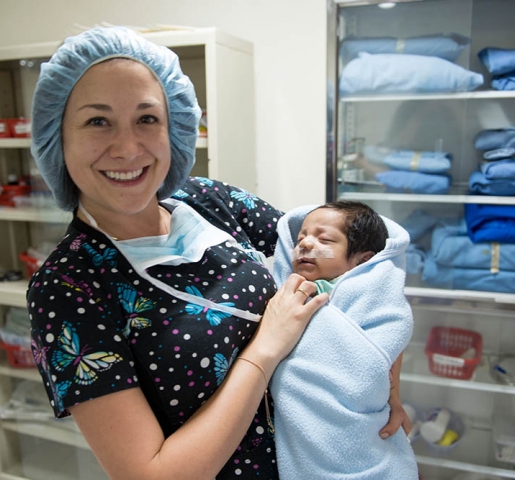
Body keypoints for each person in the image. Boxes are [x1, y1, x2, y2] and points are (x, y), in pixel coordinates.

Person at [26, 26, 408, 479]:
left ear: (174, 128)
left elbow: (359, 265)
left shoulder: (210, 201)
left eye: (147, 118)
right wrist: (266, 348)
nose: (127, 148)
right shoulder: (68, 285)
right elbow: (151, 475)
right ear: (58, 138)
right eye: (97, 121)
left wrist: (384, 388)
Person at [270, 201, 418, 479]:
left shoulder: (370, 296)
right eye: (301, 238)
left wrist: (392, 393)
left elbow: (391, 335)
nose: (305, 244)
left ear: (362, 260)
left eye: (323, 239)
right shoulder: (290, 289)